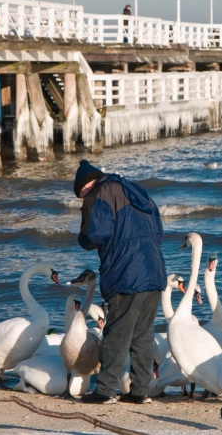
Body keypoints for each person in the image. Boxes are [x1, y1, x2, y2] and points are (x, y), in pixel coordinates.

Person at [74, 159, 166, 404]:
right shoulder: (136, 190)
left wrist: (82, 237)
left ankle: (104, 391)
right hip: (154, 270)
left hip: (126, 273)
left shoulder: (100, 192)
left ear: (86, 186)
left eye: (81, 195)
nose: (83, 199)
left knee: (117, 332)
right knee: (143, 334)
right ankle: (140, 391)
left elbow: (96, 233)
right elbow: (158, 230)